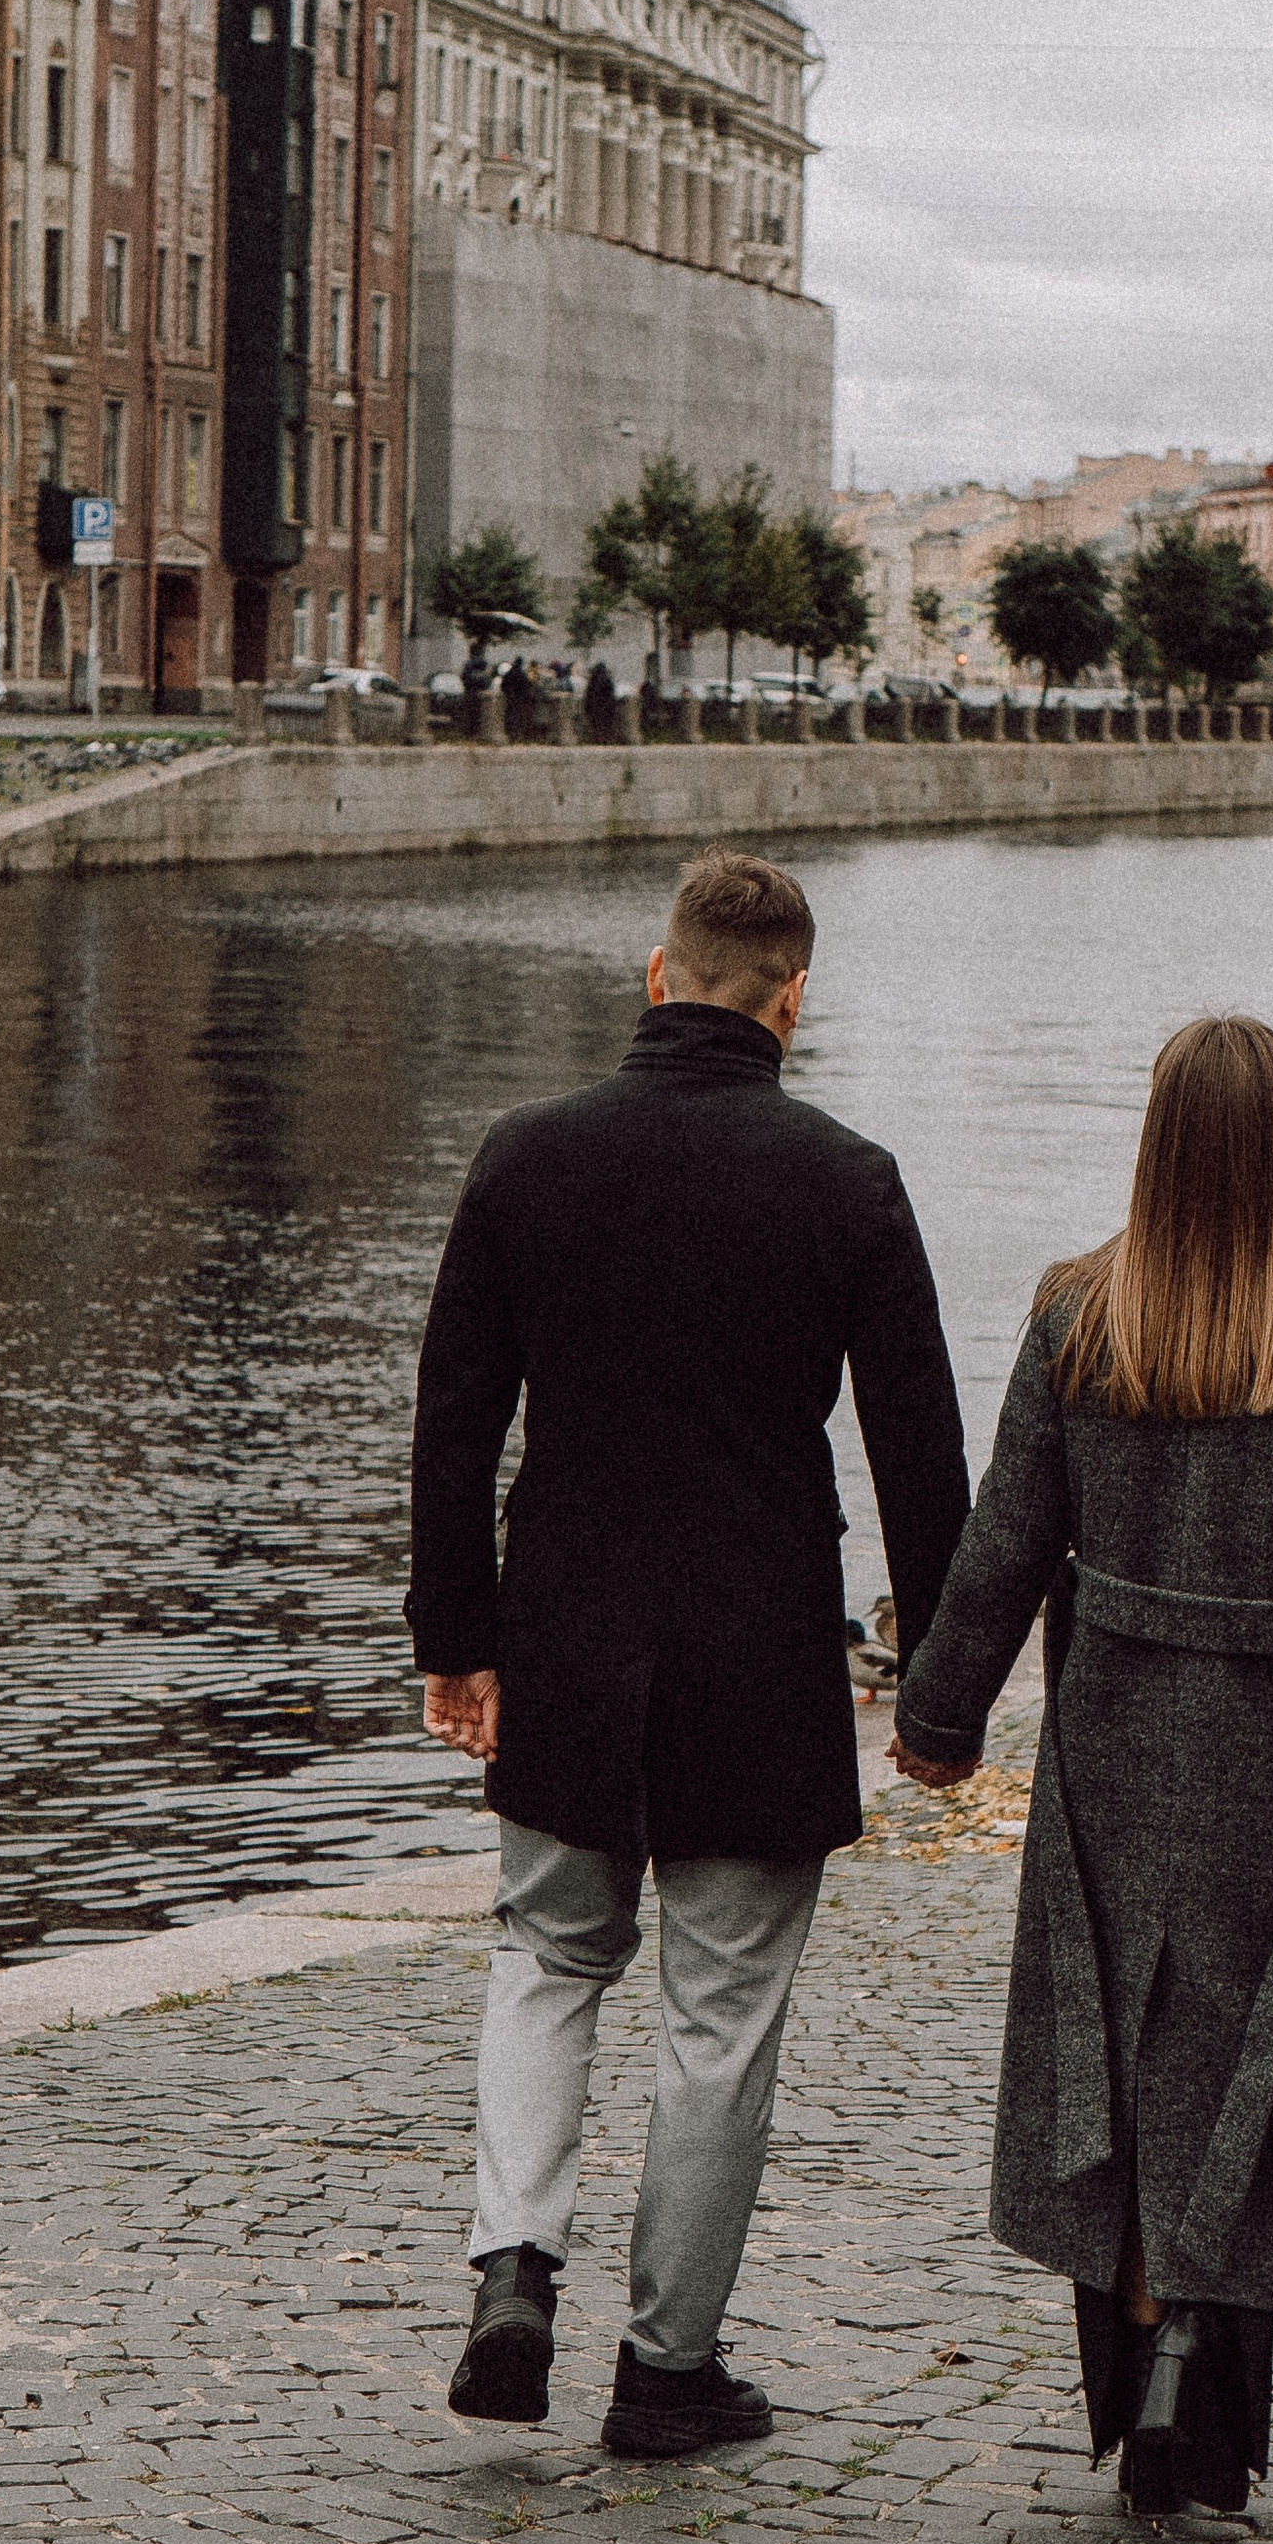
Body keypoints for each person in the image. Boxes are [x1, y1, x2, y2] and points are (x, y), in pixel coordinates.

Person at [410, 848, 969, 2458]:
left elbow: (455, 1429)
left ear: (658, 978)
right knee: (718, 2017)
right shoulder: (848, 1181)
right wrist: (936, 1685)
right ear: (795, 1000)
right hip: (755, 1653)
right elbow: (918, 1455)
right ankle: (666, 2370)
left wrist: (457, 1638)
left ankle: (514, 2270)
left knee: (545, 1954)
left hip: (566, 1632)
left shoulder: (526, 1159)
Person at [890, 1013, 1273, 2517]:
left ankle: (1146, 2347)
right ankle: (1203, 2367)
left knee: (1122, 2050)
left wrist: (939, 1721)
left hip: (1112, 1740)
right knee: (1254, 2049)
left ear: (1154, 1148)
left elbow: (1004, 1542)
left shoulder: (1079, 1317)